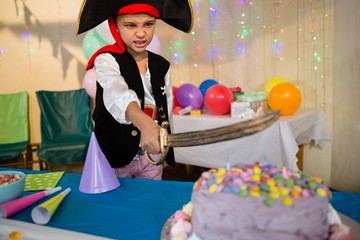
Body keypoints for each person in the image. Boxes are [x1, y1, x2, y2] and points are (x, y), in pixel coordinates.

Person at [76, 0, 193, 179]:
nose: (141, 33)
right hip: (115, 153)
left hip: (152, 156)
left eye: (148, 24)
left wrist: (165, 148)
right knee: (118, 205)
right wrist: (144, 123)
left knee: (150, 202)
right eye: (130, 25)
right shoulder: (106, 60)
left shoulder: (162, 65)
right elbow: (116, 92)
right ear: (116, 26)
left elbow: (166, 107)